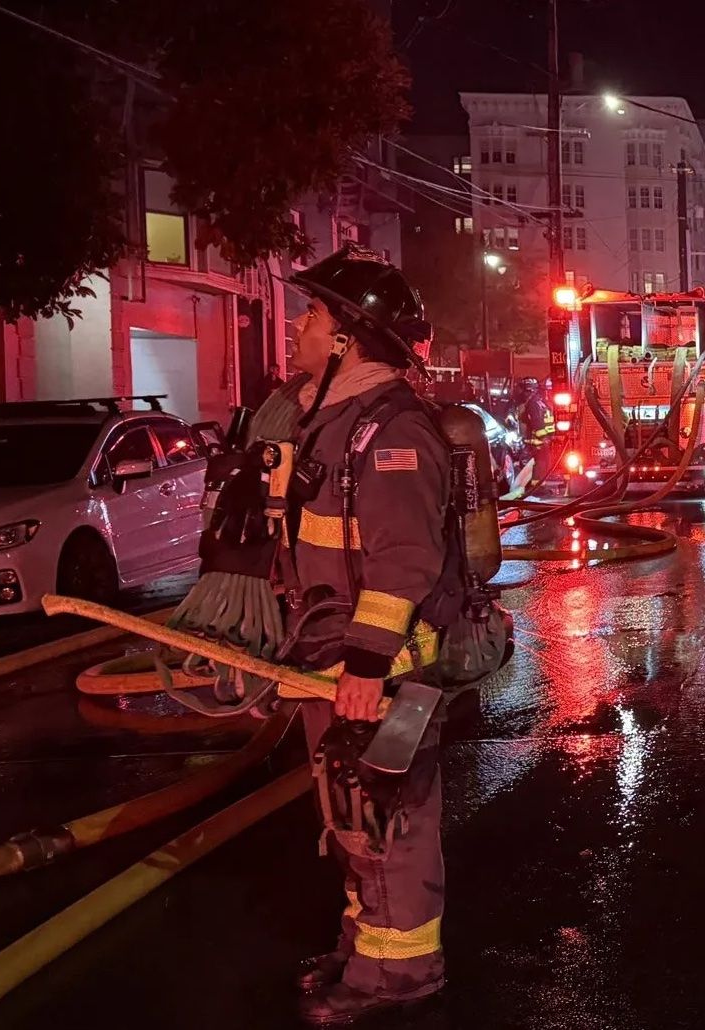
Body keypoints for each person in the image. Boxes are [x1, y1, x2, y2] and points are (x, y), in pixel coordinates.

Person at [282, 247, 454, 1022]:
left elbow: (405, 560)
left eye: (312, 315)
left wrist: (365, 661)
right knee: (351, 815)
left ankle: (400, 974)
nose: (297, 325)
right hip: (338, 667)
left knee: (392, 817)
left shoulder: (389, 434)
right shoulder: (332, 421)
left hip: (386, 677)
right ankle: (364, 945)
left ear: (347, 337)